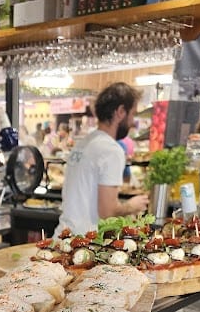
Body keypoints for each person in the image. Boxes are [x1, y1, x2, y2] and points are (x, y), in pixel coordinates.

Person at [56, 82, 149, 236]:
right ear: (120, 112)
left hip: (63, 236)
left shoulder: (82, 143)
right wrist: (132, 206)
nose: (133, 122)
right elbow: (107, 211)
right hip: (84, 243)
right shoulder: (111, 150)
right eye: (132, 114)